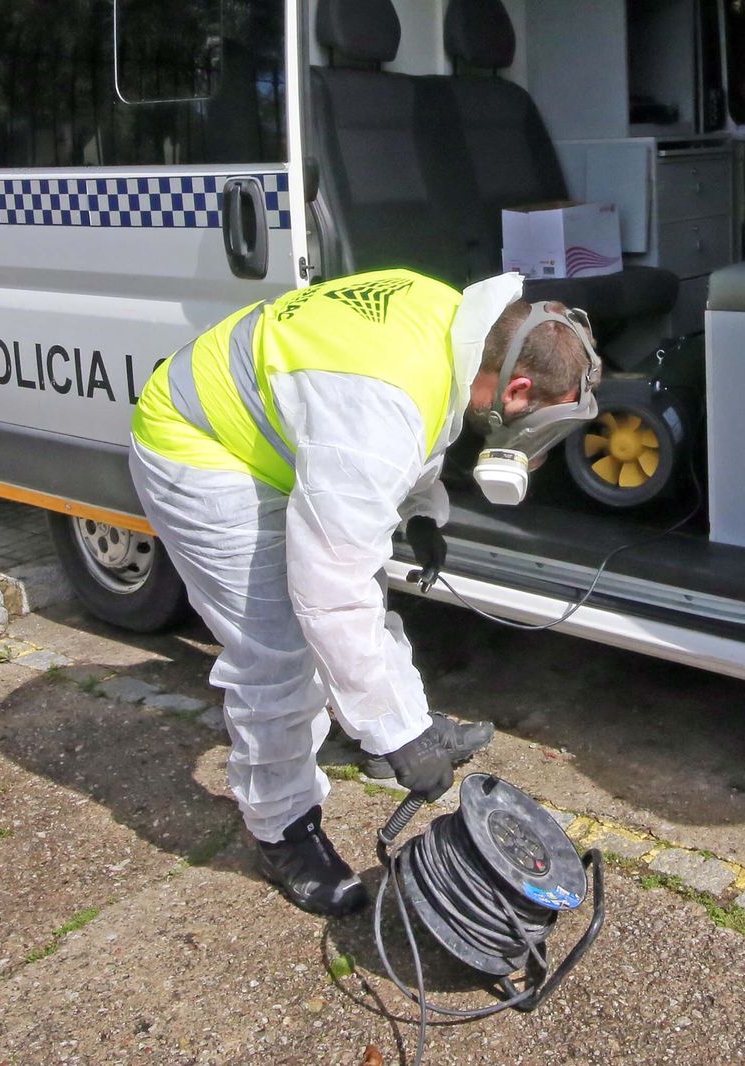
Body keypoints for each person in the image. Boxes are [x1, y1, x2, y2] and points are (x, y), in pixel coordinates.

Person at [129, 268, 600, 916]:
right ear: (518, 387)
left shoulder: (452, 322)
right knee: (279, 655)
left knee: (353, 602)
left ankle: (390, 727)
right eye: (542, 430)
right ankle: (282, 831)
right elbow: (331, 589)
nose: (536, 450)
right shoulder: (385, 398)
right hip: (200, 447)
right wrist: (398, 733)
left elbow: (404, 427)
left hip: (263, 428)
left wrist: (419, 511)